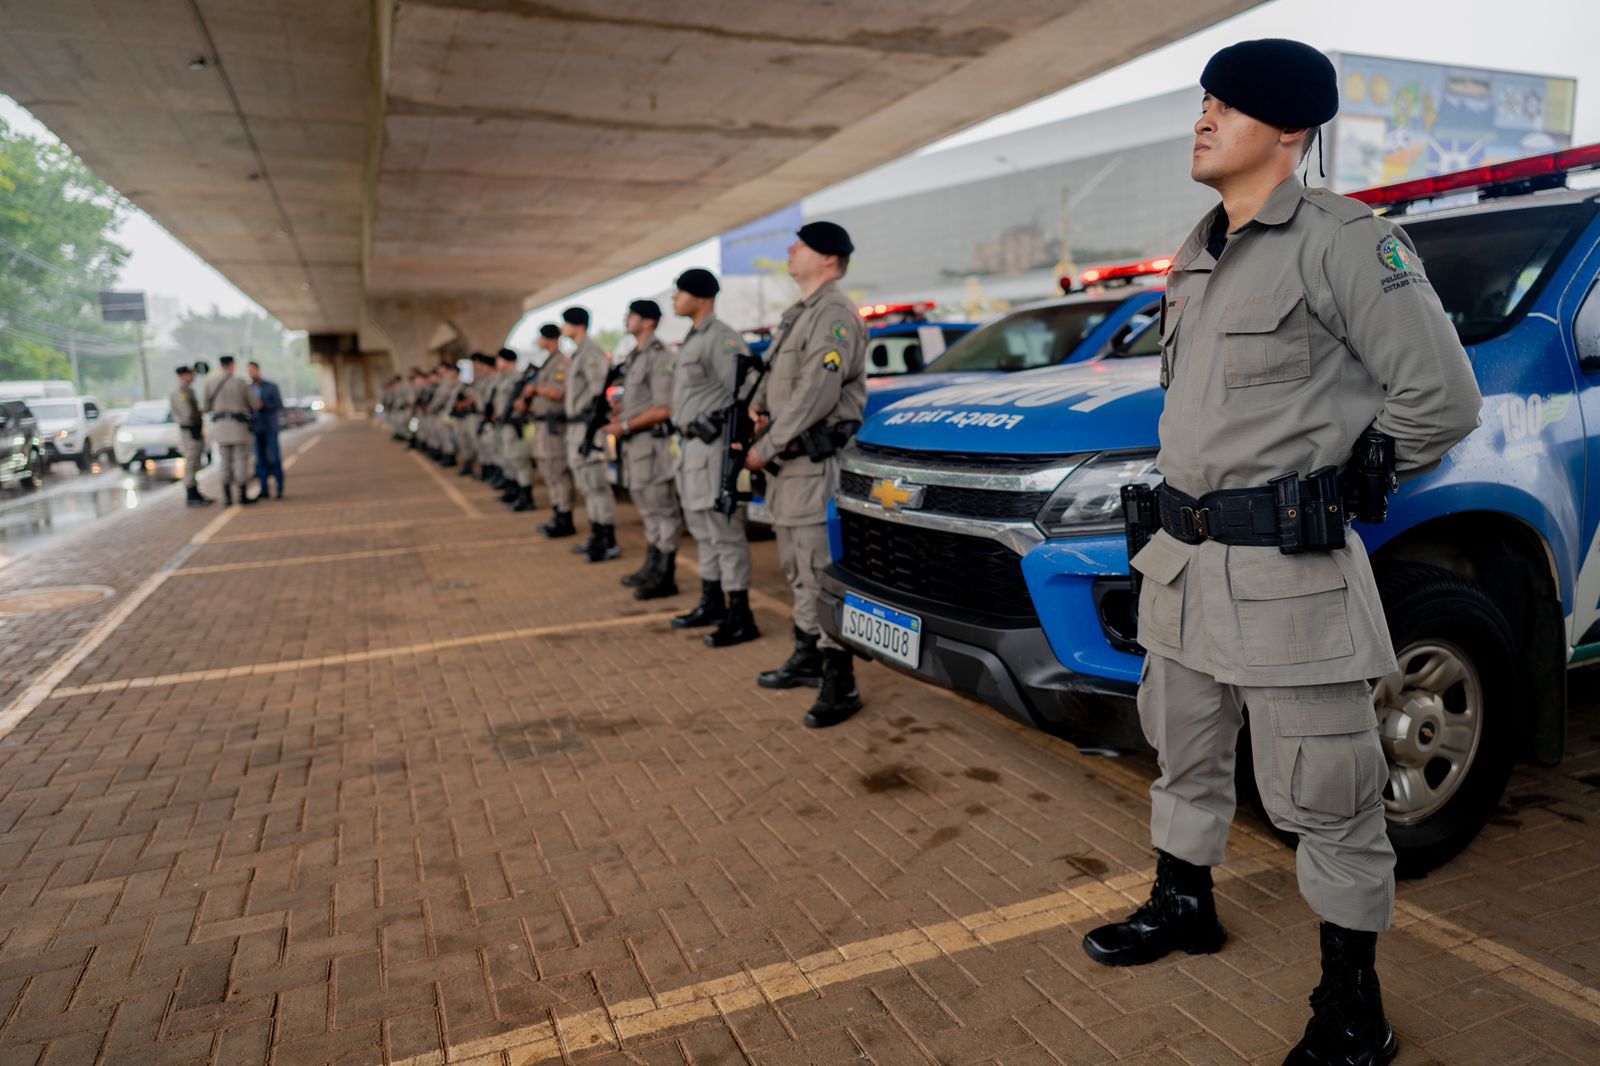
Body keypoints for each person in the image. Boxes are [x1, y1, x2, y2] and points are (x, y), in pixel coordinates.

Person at [1079, 40, 1482, 1066]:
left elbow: (1440, 397)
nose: (1202, 119)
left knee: (1327, 793)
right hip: (1180, 565)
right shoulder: (1198, 248)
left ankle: (1352, 1005)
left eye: (1228, 104)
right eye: (1202, 101)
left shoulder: (1347, 241)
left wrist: (1351, 478)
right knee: (1184, 750)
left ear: (1289, 128)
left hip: (1287, 578)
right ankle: (1183, 903)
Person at [746, 222, 867, 728]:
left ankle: (841, 680)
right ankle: (807, 655)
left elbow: (817, 390)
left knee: (818, 571)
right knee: (797, 569)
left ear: (828, 259)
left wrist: (766, 445)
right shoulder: (800, 314)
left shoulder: (834, 313)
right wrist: (756, 408)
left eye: (801, 245)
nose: (790, 251)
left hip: (811, 464)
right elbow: (778, 378)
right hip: (789, 468)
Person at [669, 268, 759, 646]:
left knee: (726, 534)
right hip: (692, 449)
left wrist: (737, 435)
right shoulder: (692, 338)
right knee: (704, 531)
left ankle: (741, 614)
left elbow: (749, 387)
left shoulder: (720, 338)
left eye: (680, 292)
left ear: (701, 296)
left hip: (713, 450)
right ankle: (712, 602)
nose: (675, 299)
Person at [608, 300, 682, 599]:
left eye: (633, 315)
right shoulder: (635, 356)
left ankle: (666, 574)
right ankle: (652, 566)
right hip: (635, 447)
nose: (628, 319)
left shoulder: (658, 355)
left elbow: (664, 407)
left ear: (648, 321)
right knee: (648, 512)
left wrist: (625, 426)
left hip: (651, 445)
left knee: (663, 511)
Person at [561, 307, 620, 561]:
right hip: (577, 428)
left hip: (589, 426)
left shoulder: (591, 352)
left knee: (597, 485)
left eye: (566, 324)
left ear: (577, 325)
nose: (563, 328)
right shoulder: (578, 353)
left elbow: (599, 390)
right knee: (586, 485)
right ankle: (597, 535)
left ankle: (608, 541)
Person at [202, 355, 261, 506]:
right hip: (239, 427)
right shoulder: (241, 383)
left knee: (224, 462)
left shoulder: (210, 383)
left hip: (221, 428)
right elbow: (255, 404)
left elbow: (206, 407)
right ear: (232, 366)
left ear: (221, 366)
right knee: (241, 461)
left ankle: (227, 497)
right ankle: (242, 495)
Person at [169, 365, 212, 507]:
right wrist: (202, 410)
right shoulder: (179, 392)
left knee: (196, 463)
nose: (193, 377)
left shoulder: (189, 390)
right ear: (182, 376)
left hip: (195, 430)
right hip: (188, 431)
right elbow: (188, 414)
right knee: (190, 463)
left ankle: (196, 492)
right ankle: (191, 494)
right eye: (190, 374)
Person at [246, 360, 285, 498]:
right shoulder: (248, 388)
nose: (251, 373)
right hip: (256, 429)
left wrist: (264, 405)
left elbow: (279, 405)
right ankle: (264, 489)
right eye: (248, 371)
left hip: (270, 427)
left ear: (258, 370)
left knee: (275, 459)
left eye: (252, 370)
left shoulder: (271, 387)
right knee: (260, 461)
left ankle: (280, 488)